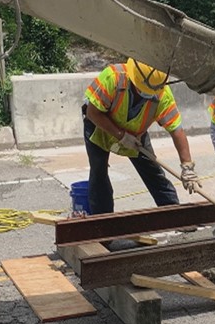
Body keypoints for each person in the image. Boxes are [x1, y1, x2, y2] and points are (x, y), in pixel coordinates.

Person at [81, 58, 200, 215]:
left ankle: (173, 214)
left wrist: (187, 167)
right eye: (143, 90)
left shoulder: (162, 93)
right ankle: (103, 223)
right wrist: (121, 135)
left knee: (152, 171)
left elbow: (176, 129)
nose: (146, 95)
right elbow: (92, 112)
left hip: (136, 132)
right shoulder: (113, 77)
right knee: (98, 171)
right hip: (99, 125)